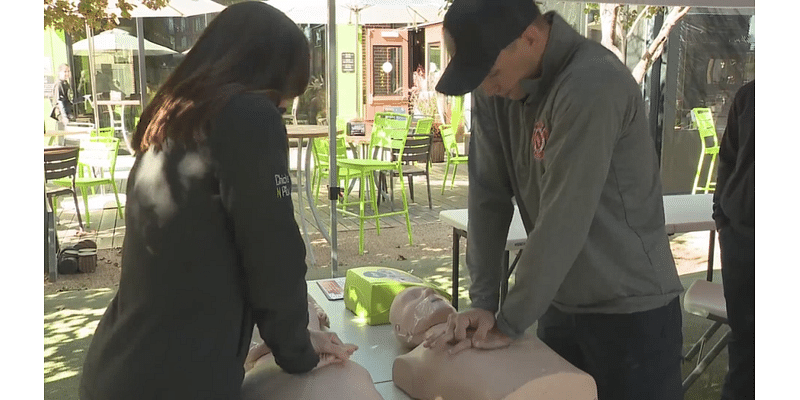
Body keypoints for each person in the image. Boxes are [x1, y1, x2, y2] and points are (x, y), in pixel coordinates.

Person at [78, 3, 356, 399]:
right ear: (263, 79)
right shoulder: (248, 116)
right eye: (282, 99)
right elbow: (272, 249)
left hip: (122, 366)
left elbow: (210, 252)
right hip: (175, 381)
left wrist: (284, 337)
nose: (282, 110)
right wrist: (297, 350)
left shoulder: (175, 118)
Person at [424, 1, 684, 399]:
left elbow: (565, 217)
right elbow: (488, 198)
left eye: (490, 73)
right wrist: (482, 303)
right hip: (558, 304)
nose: (487, 87)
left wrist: (509, 321)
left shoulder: (593, 83)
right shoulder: (499, 91)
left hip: (631, 313)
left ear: (530, 36)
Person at [390, 286, 597, 400]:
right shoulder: (411, 361)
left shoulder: (494, 324)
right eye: (414, 297)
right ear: (400, 330)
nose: (428, 293)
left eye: (433, 291)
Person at [241, 296, 381, 400]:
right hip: (276, 361)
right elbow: (245, 356)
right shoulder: (244, 308)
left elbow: (309, 299)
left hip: (324, 353)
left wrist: (318, 309)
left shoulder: (296, 291)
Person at [712, 80, 754, 400]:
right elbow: (727, 159)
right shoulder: (750, 95)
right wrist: (722, 220)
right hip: (743, 243)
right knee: (745, 347)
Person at [51, 63, 75, 129]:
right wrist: (64, 117)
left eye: (68, 71)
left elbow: (69, 98)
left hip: (67, 112)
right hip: (62, 114)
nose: (67, 73)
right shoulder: (59, 84)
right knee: (64, 134)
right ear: (59, 72)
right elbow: (60, 101)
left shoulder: (65, 83)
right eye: (65, 71)